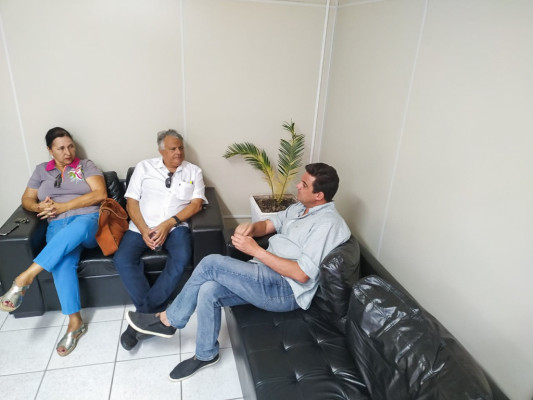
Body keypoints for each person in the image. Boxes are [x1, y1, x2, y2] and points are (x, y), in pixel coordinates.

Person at [125, 162, 351, 382]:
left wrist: (256, 250)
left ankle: (168, 321)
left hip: (285, 289)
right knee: (209, 289)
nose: (298, 186)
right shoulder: (299, 208)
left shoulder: (328, 224)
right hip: (263, 272)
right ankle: (206, 354)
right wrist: (251, 228)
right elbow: (269, 225)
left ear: (319, 195)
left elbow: (302, 274)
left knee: (211, 263)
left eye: (304, 184)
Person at [0, 127, 107, 356]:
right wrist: (37, 206)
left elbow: (100, 194)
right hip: (57, 224)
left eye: (70, 146)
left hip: (88, 221)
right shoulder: (41, 170)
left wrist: (65, 206)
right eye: (61, 148)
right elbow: (26, 199)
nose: (68, 152)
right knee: (61, 262)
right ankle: (75, 323)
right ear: (50, 150)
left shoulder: (85, 165)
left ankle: (25, 277)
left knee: (79, 227)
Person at [113, 129, 207, 351]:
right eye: (172, 149)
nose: (178, 152)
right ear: (161, 151)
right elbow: (131, 202)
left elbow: (196, 205)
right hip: (141, 227)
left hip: (175, 227)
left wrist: (168, 224)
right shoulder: (144, 168)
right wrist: (144, 229)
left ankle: (140, 320)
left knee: (182, 257)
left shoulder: (193, 171)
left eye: (180, 148)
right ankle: (151, 316)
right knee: (122, 259)